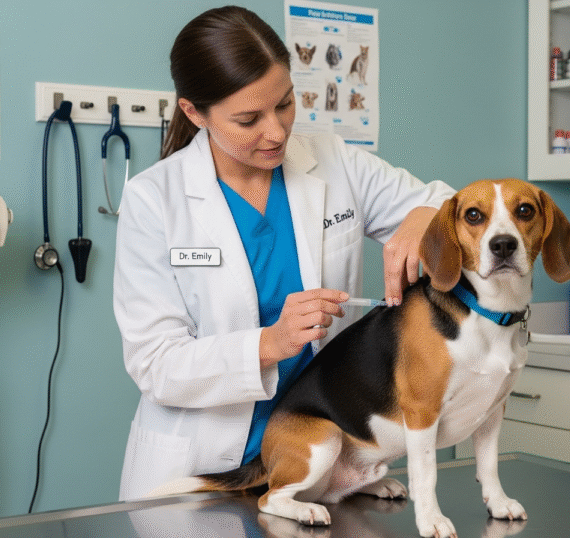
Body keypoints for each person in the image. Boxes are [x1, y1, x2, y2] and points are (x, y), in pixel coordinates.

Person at [114, 5, 455, 500]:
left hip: (321, 465)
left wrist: (430, 213)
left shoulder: (336, 161)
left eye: (286, 104)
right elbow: (154, 362)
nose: (276, 132)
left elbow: (462, 207)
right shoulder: (153, 201)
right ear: (194, 112)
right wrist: (268, 344)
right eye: (249, 119)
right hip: (199, 469)